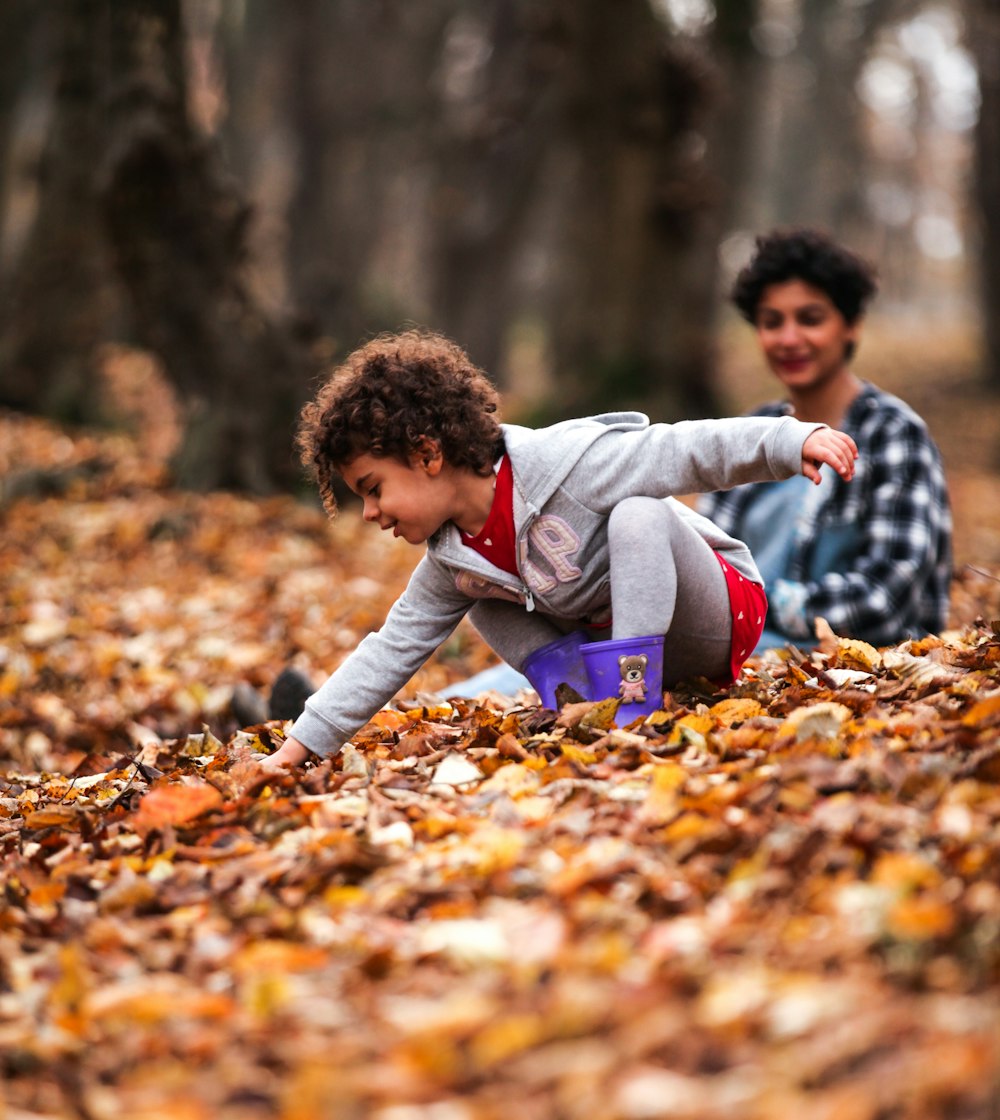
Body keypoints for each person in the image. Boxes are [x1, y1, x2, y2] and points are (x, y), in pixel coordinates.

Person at [259, 330, 856, 771]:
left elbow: (683, 449)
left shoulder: (569, 465)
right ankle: (583, 695)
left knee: (638, 513)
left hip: (713, 614)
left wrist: (788, 439)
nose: (370, 513)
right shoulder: (451, 556)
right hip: (617, 639)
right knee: (480, 591)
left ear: (426, 454)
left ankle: (630, 701)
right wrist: (300, 745)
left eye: (373, 489)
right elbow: (391, 648)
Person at [698, 228, 952, 651]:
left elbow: (884, 601)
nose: (789, 338)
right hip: (736, 674)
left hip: (864, 684)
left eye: (810, 319)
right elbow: (704, 566)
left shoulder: (893, 434)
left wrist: (750, 608)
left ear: (850, 326)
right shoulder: (750, 432)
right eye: (772, 321)